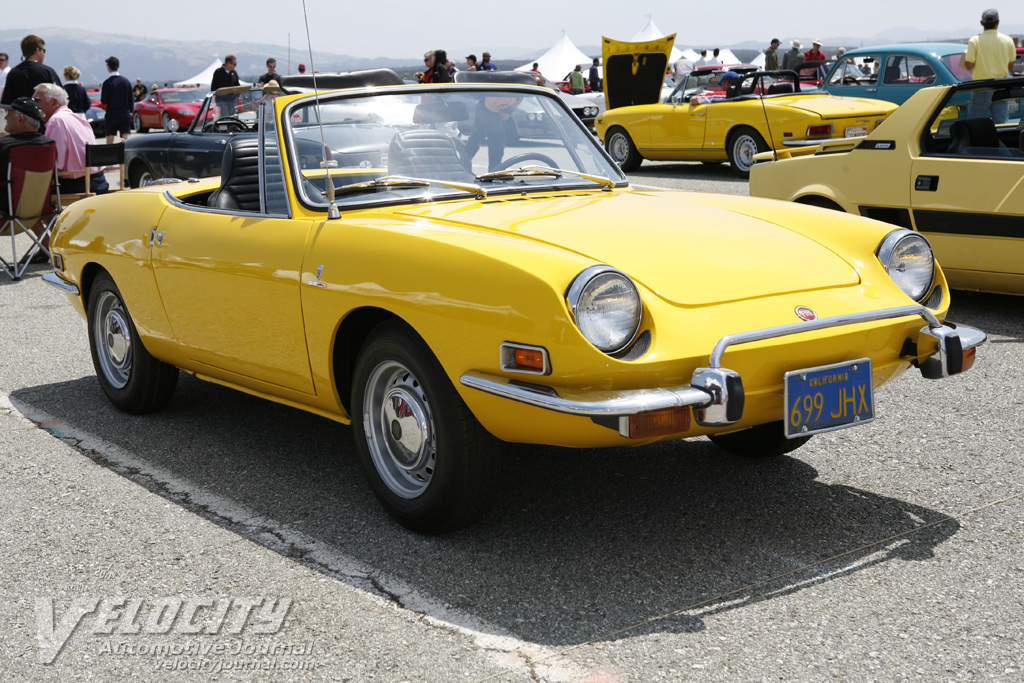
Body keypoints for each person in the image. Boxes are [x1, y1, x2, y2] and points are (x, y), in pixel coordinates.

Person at [0, 97, 55, 261]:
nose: (5, 118)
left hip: (6, 218)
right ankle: (49, 247)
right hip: (37, 214)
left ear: (20, 118)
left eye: (8, 113)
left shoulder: (5, 146)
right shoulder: (49, 145)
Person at [33, 83, 109, 195]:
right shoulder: (77, 117)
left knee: (28, 190)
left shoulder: (56, 120)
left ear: (54, 102)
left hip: (78, 185)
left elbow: (55, 163)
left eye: (37, 100)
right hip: (99, 182)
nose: (34, 105)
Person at [963, 8, 1016, 123]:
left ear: (982, 23)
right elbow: (1010, 67)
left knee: (975, 122)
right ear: (998, 22)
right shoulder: (1007, 40)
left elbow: (968, 65)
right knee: (1001, 121)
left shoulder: (974, 40)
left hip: (982, 86)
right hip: (1001, 85)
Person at [461, 95, 519, 171]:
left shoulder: (520, 94)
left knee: (478, 134)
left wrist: (507, 113)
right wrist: (500, 113)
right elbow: (490, 105)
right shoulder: (498, 97)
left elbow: (513, 106)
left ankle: (462, 164)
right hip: (485, 107)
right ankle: (494, 170)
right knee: (497, 137)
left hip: (496, 109)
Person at [1, 35, 61, 105]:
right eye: (43, 50)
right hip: (44, 114)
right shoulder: (47, 72)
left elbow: (7, 102)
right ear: (37, 50)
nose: (44, 54)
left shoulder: (13, 73)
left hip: (20, 114)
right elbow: (60, 98)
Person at [100, 57, 133, 144]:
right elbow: (131, 99)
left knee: (110, 136)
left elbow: (104, 100)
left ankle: (109, 155)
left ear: (108, 67)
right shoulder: (126, 82)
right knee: (126, 135)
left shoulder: (106, 83)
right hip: (125, 112)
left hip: (112, 113)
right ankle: (128, 153)